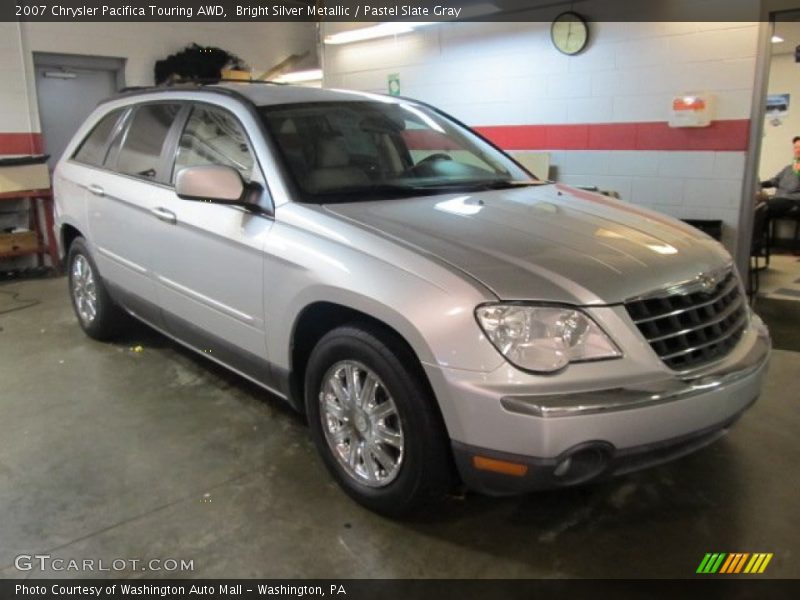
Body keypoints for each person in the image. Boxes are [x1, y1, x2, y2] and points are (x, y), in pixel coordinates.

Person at [761, 136, 800, 219]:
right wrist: (759, 184)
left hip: (794, 200)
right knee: (758, 204)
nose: (798, 150)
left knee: (765, 207)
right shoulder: (788, 168)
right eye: (796, 147)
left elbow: (793, 187)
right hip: (780, 199)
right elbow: (775, 181)